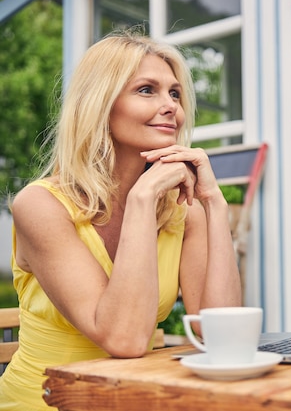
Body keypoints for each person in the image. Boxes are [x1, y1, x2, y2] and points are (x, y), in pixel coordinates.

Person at [0, 30, 242, 410]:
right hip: (47, 401)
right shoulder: (41, 205)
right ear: (100, 104)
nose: (170, 107)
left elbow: (221, 337)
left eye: (175, 93)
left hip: (134, 399)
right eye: (147, 90)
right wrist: (142, 199)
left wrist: (215, 204)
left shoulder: (183, 209)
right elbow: (124, 339)